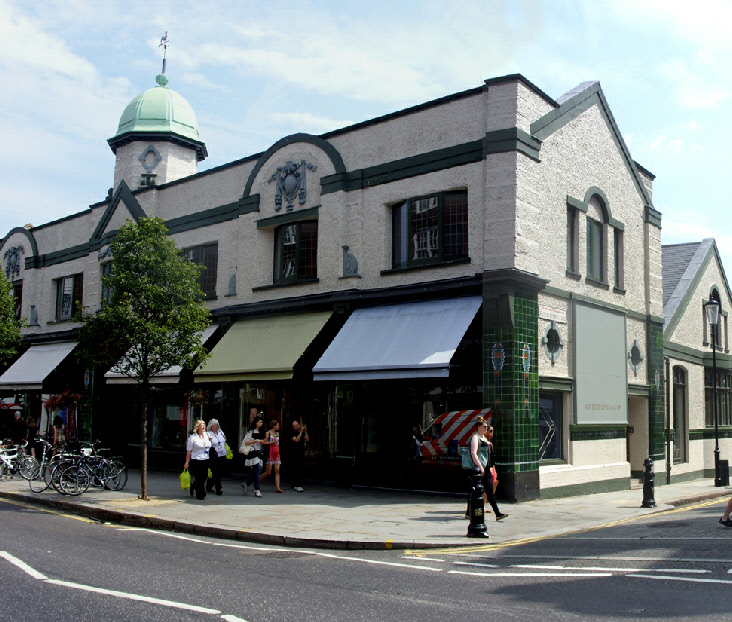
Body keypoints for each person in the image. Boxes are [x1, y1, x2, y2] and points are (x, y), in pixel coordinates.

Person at [466, 418, 507, 521]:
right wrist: (480, 466)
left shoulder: (483, 438)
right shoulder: (475, 437)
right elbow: (473, 453)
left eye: (487, 427)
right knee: (474, 491)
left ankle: (497, 513)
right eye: (484, 427)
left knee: (489, 491)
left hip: (487, 468)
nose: (486, 428)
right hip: (479, 469)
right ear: (478, 427)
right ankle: (469, 512)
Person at [184, 419, 211, 500]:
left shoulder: (207, 435)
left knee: (204, 476)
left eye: (204, 426)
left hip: (205, 459)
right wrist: (187, 462)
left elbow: (210, 444)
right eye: (201, 426)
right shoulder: (193, 438)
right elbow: (189, 451)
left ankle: (194, 486)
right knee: (199, 477)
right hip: (196, 459)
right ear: (197, 427)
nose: (203, 427)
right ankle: (200, 494)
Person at [241, 416, 265, 497]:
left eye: (262, 422)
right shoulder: (251, 431)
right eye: (259, 422)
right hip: (253, 451)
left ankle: (246, 484)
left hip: (260, 452)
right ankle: (257, 489)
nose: (261, 424)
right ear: (256, 423)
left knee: (256, 472)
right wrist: (255, 440)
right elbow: (247, 442)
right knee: (257, 470)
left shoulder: (262, 431)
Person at [259, 420, 283, 493]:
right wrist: (271, 442)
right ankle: (257, 482)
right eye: (278, 425)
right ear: (274, 426)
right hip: (270, 453)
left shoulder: (277, 433)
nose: (279, 426)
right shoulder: (268, 433)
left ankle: (278, 488)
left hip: (276, 453)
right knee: (268, 472)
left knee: (277, 470)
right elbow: (263, 442)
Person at [206, 418, 227, 496]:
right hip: (213, 456)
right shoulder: (208, 434)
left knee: (218, 472)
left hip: (222, 455)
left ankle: (209, 485)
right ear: (211, 426)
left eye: (217, 425)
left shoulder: (220, 432)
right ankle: (219, 488)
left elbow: (223, 441)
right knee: (215, 472)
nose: (216, 426)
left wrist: (224, 438)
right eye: (214, 425)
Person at [289, 419, 308, 492]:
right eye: (295, 426)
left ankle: (296, 484)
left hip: (301, 452)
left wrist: (305, 432)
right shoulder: (291, 433)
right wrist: (300, 432)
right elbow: (297, 440)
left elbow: (307, 439)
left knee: (300, 468)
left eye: (297, 425)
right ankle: (296, 484)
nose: (297, 427)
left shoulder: (302, 432)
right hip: (294, 452)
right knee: (295, 468)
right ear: (293, 427)